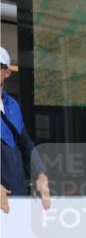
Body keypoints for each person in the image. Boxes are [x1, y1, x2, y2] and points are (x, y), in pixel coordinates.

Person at [1, 47, 50, 213]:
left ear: (7, 72)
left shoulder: (12, 105)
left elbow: (25, 143)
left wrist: (40, 173)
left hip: (16, 196)